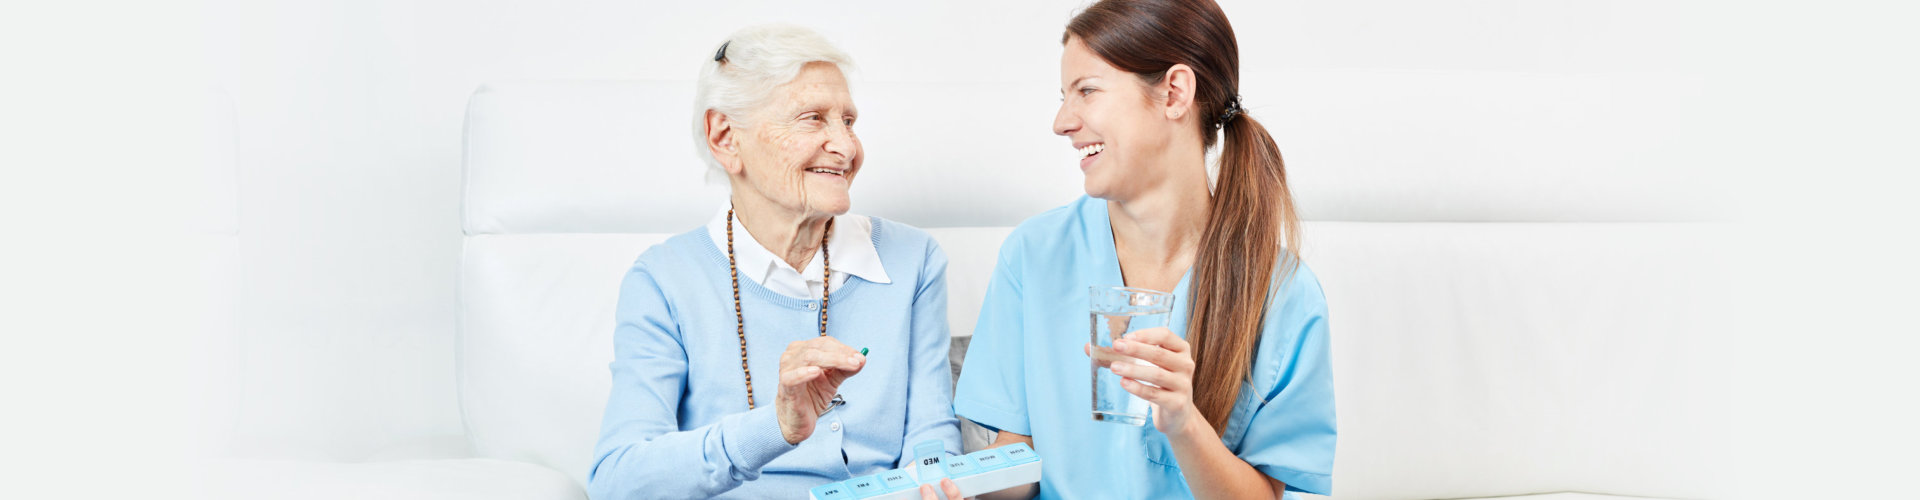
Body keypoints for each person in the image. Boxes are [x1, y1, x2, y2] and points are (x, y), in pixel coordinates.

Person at [954, 1, 1336, 498]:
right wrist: (950, 484)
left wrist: (1183, 422)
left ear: (1174, 93)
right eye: (1065, 96)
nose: (1062, 122)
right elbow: (1014, 457)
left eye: (1087, 91)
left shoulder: (1283, 295)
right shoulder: (1034, 255)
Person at [588, 24, 963, 500]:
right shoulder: (665, 280)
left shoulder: (914, 261)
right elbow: (617, 480)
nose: (846, 148)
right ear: (725, 137)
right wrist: (776, 426)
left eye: (848, 121)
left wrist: (932, 480)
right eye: (812, 118)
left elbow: (931, 439)